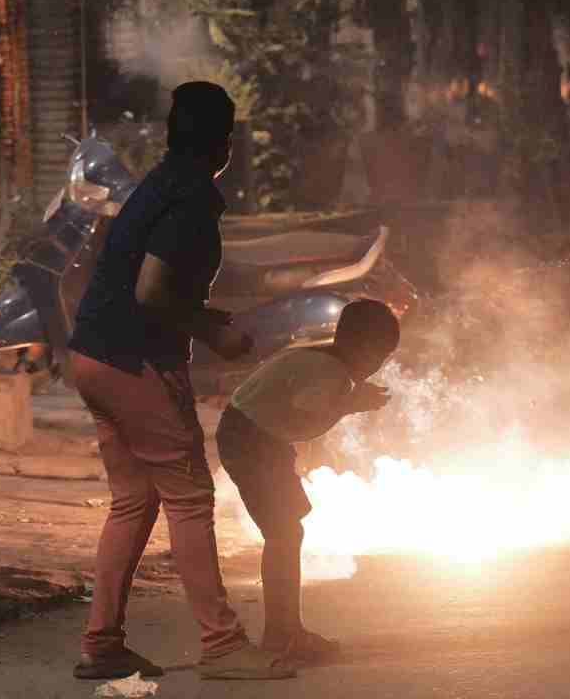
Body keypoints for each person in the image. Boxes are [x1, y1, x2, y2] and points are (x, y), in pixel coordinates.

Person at [66, 81, 295, 681]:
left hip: (92, 354)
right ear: (224, 145)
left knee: (135, 500)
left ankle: (102, 643)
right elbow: (151, 293)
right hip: (134, 362)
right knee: (190, 499)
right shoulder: (190, 200)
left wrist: (201, 320)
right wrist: (214, 334)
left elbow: (142, 283)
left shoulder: (158, 186)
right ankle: (222, 644)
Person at [217, 299, 400, 664]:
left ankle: (286, 630)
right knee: (284, 534)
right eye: (379, 357)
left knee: (288, 532)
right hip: (253, 441)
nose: (378, 367)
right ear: (362, 347)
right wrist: (349, 405)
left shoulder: (316, 355)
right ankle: (281, 635)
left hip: (255, 436)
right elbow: (306, 423)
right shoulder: (329, 373)